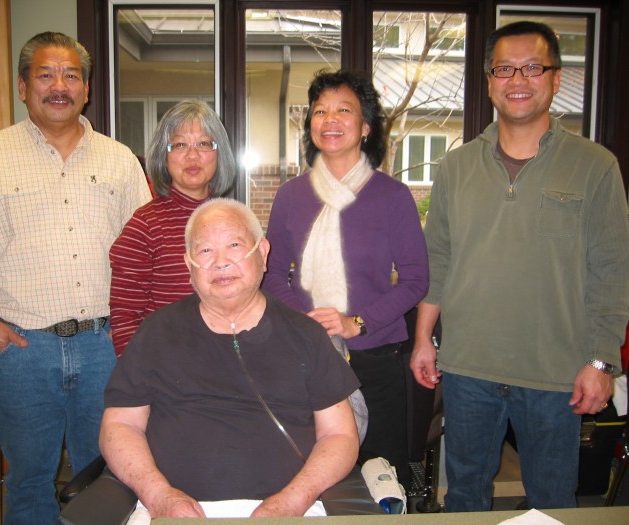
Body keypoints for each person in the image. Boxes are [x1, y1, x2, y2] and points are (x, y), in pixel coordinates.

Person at [410, 21, 629, 512]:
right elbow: (439, 259)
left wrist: (600, 362)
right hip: (468, 368)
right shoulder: (456, 167)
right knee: (464, 497)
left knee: (552, 500)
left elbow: (612, 271)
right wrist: (425, 339)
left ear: (554, 78)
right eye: (505, 68)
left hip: (556, 373)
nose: (518, 80)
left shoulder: (595, 166)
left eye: (533, 67)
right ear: (489, 81)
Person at [0, 32, 152, 524]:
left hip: (104, 348)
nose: (60, 86)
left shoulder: (119, 160)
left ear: (87, 89)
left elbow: (143, 252)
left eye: (71, 75)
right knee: (28, 478)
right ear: (22, 86)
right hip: (21, 351)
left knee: (109, 472)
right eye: (46, 74)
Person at [100, 198, 360, 519]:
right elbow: (120, 425)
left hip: (289, 509)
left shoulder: (306, 335)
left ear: (262, 254)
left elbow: (340, 435)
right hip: (171, 509)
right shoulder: (156, 332)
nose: (220, 262)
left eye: (234, 245)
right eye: (205, 250)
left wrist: (292, 501)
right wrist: (160, 495)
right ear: (188, 264)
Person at [262, 69, 429, 489]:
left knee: (382, 475)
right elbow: (270, 273)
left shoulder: (392, 196)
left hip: (375, 356)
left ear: (366, 126)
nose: (330, 119)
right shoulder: (290, 196)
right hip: (305, 353)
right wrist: (311, 319)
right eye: (320, 111)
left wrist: (357, 321)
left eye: (343, 110)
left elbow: (415, 279)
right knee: (311, 472)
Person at [109, 100, 236, 355]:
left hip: (227, 361)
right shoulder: (144, 225)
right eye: (179, 144)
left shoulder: (234, 220)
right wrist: (141, 380)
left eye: (204, 143)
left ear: (219, 153)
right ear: (163, 156)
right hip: (167, 369)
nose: (192, 155)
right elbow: (125, 320)